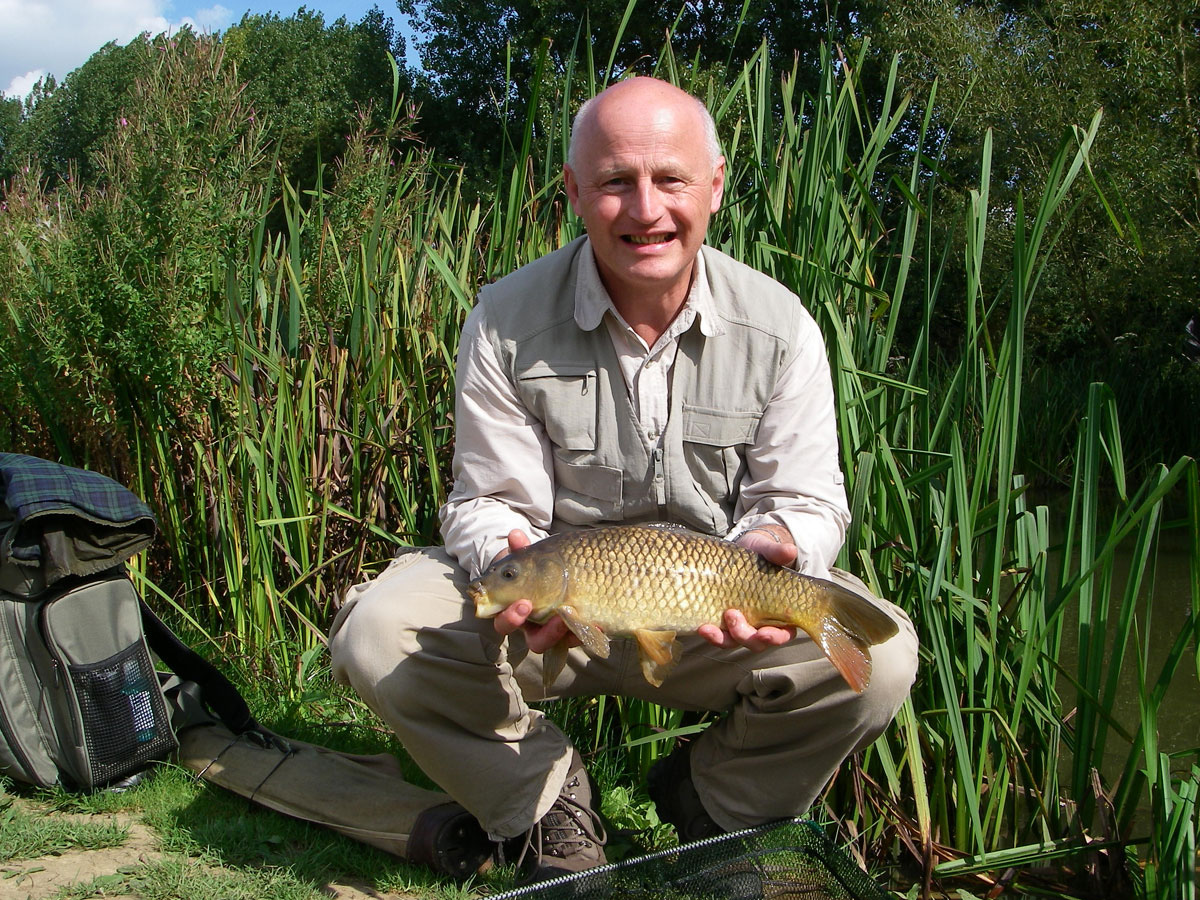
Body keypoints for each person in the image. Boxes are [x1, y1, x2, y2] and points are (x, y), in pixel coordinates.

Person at [329, 76, 919, 882]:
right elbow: (490, 500)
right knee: (378, 632)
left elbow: (804, 500)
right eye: (615, 182)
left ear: (713, 186)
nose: (646, 210)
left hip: (709, 614)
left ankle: (713, 805)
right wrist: (509, 558)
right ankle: (544, 803)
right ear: (574, 191)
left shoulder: (782, 328)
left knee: (880, 662)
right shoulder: (504, 318)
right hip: (556, 613)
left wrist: (780, 544)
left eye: (670, 179)